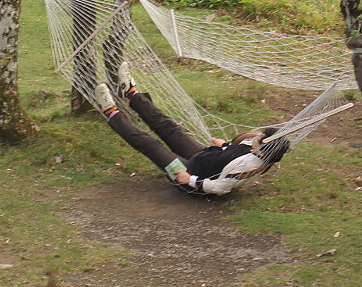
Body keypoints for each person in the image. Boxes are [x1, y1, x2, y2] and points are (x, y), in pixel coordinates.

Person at [92, 63, 290, 196]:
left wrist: (190, 180)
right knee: (168, 126)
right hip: (203, 156)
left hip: (189, 177)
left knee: (149, 144)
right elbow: (236, 152)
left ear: (263, 150)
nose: (258, 135)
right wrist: (225, 146)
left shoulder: (248, 167)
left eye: (261, 137)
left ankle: (111, 112)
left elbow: (220, 187)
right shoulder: (260, 151)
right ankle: (131, 92)